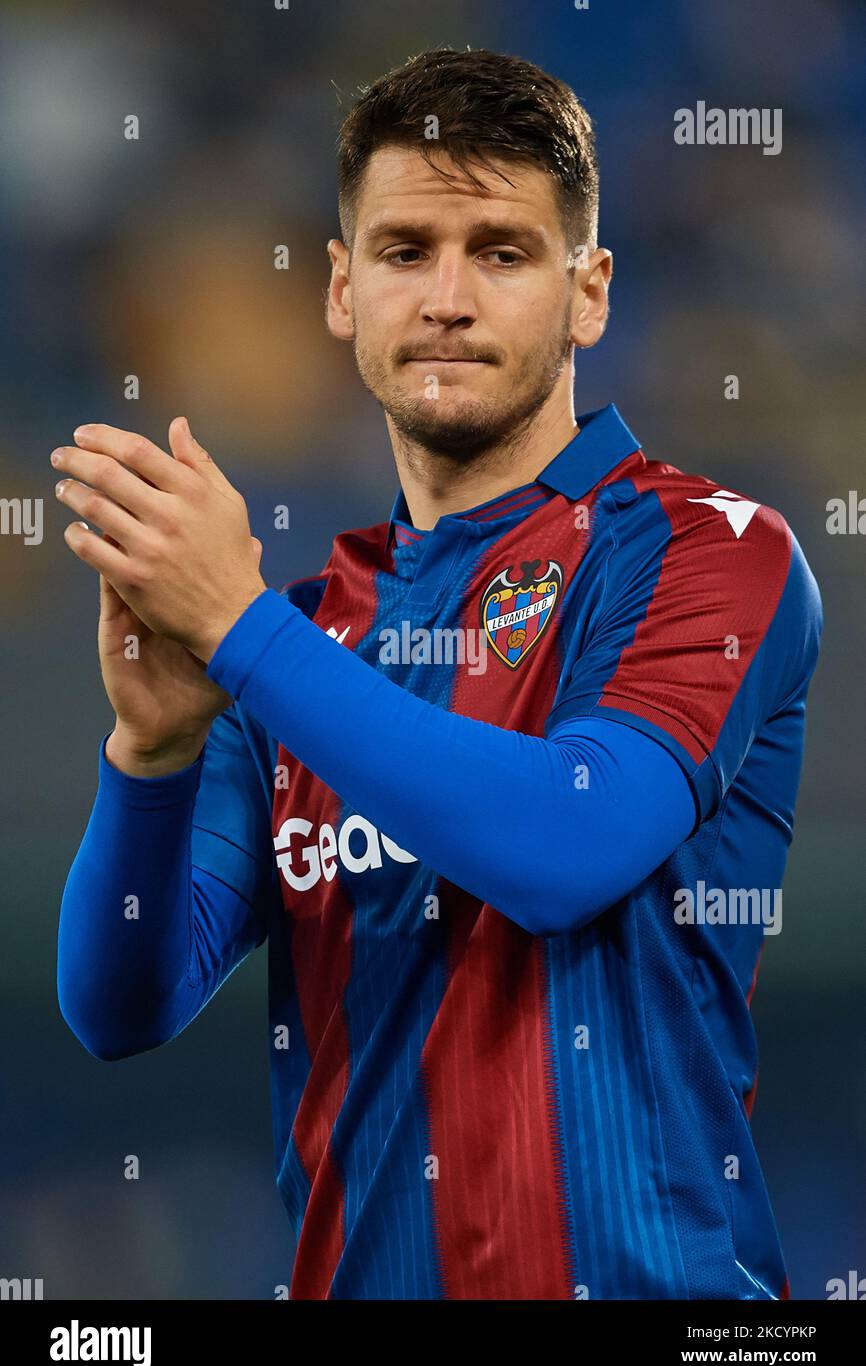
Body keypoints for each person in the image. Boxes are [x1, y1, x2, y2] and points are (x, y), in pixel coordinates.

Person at [55, 47, 822, 1300]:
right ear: (342, 291)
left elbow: (566, 848)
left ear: (589, 293)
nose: (449, 297)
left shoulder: (710, 549)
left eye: (503, 252)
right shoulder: (305, 636)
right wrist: (151, 755)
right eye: (407, 250)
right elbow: (119, 1000)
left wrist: (242, 629)